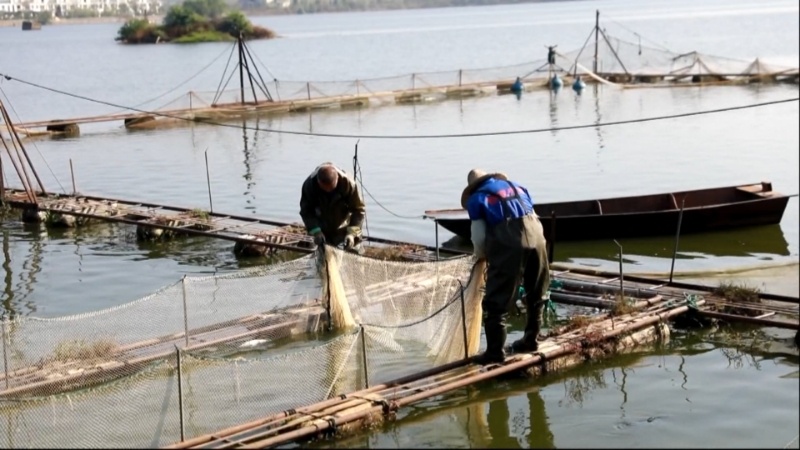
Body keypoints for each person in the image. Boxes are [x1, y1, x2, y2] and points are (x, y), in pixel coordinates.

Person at [461, 168, 550, 365]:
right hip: (538, 237)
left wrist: (482, 256)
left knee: (496, 301)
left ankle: (495, 353)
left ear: (473, 187)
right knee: (536, 293)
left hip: (509, 241)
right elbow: (534, 217)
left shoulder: (477, 199)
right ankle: (531, 341)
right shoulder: (518, 187)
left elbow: (479, 237)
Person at [299, 162, 366, 252]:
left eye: (331, 188)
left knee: (355, 251)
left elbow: (358, 210)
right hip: (320, 228)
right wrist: (316, 231)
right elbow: (306, 211)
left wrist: (351, 234)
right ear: (318, 182)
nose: (328, 191)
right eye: (325, 189)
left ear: (337, 178)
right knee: (318, 256)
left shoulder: (348, 184)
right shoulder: (309, 186)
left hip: (344, 227)